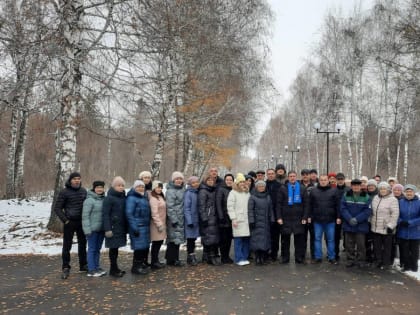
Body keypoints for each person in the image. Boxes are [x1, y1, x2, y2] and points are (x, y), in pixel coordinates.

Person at [54, 172, 88, 279]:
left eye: (78, 178)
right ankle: (65, 267)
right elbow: (57, 208)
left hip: (81, 222)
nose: (77, 180)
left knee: (82, 244)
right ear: (70, 180)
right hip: (69, 222)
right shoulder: (64, 192)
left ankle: (83, 265)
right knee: (67, 245)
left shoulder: (83, 191)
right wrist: (65, 220)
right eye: (74, 179)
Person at [276, 171, 309, 264]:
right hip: (286, 219)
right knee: (285, 240)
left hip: (299, 218)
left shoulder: (302, 188)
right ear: (288, 177)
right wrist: (279, 217)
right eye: (290, 176)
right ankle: (285, 258)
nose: (292, 178)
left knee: (299, 240)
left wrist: (305, 217)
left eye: (294, 176)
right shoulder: (283, 188)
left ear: (296, 177)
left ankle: (299, 258)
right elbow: (278, 204)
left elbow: (307, 205)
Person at [309, 175, 341, 264]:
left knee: (331, 240)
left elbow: (338, 206)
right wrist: (309, 216)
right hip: (317, 220)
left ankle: (332, 257)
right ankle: (318, 257)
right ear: (319, 181)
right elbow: (310, 205)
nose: (323, 181)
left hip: (330, 220)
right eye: (321, 180)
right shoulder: (313, 191)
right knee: (317, 239)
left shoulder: (334, 191)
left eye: (325, 180)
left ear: (328, 181)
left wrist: (338, 217)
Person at [340, 179, 372, 268]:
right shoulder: (346, 195)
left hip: (361, 225)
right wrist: (349, 218)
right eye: (354, 185)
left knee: (361, 245)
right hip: (348, 224)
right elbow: (343, 208)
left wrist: (357, 219)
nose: (356, 187)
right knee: (349, 244)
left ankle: (361, 260)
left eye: (358, 185)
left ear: (360, 186)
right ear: (351, 186)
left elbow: (368, 210)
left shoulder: (366, 196)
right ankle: (350, 260)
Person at [370, 182, 399, 270]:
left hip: (387, 228)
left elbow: (395, 214)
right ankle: (378, 261)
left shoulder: (393, 199)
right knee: (376, 246)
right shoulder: (375, 198)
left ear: (388, 190)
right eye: (381, 189)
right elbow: (372, 211)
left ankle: (386, 263)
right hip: (375, 227)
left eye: (384, 189)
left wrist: (391, 226)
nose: (382, 190)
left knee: (387, 247)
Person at [103, 176, 127, 277]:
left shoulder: (122, 197)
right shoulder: (109, 198)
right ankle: (113, 270)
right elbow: (105, 214)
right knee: (113, 249)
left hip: (120, 227)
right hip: (112, 228)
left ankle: (116, 268)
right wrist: (108, 229)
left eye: (122, 185)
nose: (121, 187)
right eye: (118, 185)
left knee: (116, 249)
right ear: (114, 186)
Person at [126, 180, 151, 275]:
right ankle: (135, 267)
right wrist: (134, 228)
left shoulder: (143, 198)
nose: (141, 188)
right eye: (139, 186)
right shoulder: (131, 198)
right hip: (137, 227)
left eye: (142, 187)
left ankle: (140, 264)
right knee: (138, 248)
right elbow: (129, 214)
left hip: (145, 226)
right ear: (134, 188)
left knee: (143, 248)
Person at [82, 180, 106, 277]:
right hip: (92, 230)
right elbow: (85, 216)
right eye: (97, 187)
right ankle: (91, 269)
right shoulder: (89, 200)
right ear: (94, 188)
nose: (99, 189)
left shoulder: (104, 199)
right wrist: (87, 230)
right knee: (92, 249)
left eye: (101, 187)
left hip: (101, 229)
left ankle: (97, 266)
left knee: (98, 249)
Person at [227, 173, 251, 266]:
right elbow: (230, 207)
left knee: (246, 240)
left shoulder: (247, 192)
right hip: (238, 220)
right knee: (238, 240)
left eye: (243, 181)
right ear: (237, 183)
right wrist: (233, 218)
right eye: (240, 182)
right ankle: (238, 258)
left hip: (247, 220)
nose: (242, 183)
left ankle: (244, 257)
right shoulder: (233, 193)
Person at [248, 180, 273, 265]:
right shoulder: (252, 197)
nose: (261, 188)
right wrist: (251, 221)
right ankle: (257, 258)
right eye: (259, 186)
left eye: (263, 186)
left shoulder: (268, 197)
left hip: (266, 222)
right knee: (256, 240)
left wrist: (272, 219)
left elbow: (271, 210)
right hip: (256, 222)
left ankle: (263, 257)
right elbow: (250, 210)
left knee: (264, 240)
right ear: (256, 187)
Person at [397, 184, 420, 272]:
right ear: (405, 192)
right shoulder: (400, 202)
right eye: (407, 191)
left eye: (411, 191)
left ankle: (414, 266)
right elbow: (396, 214)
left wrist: (411, 222)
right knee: (404, 250)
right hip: (402, 230)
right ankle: (406, 266)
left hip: (415, 231)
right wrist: (400, 221)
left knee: (414, 251)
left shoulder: (418, 202)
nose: (409, 193)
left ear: (414, 192)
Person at [198, 176, 220, 265]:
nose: (211, 181)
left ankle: (206, 256)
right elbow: (201, 206)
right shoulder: (203, 191)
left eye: (212, 180)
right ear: (205, 181)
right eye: (209, 180)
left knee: (211, 237)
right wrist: (204, 218)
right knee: (209, 238)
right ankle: (211, 257)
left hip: (214, 217)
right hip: (208, 217)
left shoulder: (212, 190)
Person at [165, 171, 186, 266]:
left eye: (180, 179)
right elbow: (170, 207)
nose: (179, 180)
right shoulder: (170, 191)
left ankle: (174, 258)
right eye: (177, 179)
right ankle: (172, 260)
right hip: (174, 219)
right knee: (173, 240)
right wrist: (173, 219)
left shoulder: (182, 190)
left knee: (177, 240)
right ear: (173, 180)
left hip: (181, 218)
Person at [216, 174, 235, 264]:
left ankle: (227, 256)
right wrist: (221, 217)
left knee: (229, 239)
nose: (229, 181)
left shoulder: (234, 190)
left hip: (231, 218)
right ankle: (223, 256)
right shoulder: (221, 189)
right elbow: (218, 204)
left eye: (230, 180)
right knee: (223, 239)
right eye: (227, 180)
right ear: (224, 180)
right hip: (223, 218)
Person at [149, 180, 166, 269]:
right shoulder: (153, 199)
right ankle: (154, 262)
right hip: (156, 225)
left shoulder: (160, 196)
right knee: (156, 243)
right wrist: (159, 224)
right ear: (153, 188)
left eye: (160, 187)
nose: (159, 189)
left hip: (162, 224)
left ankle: (156, 260)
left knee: (159, 243)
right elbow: (154, 213)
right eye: (157, 187)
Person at [265, 168, 281, 262]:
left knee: (275, 236)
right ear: (267, 175)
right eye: (269, 174)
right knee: (266, 236)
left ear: (275, 175)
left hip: (276, 214)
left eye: (272, 174)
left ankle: (274, 254)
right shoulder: (263, 185)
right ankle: (266, 253)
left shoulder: (279, 186)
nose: (271, 175)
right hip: (265, 214)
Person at [184, 176, 200, 266]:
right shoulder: (189, 193)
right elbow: (186, 208)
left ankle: (191, 255)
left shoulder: (197, 192)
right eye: (193, 183)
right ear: (190, 184)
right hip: (190, 220)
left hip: (196, 219)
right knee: (190, 239)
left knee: (193, 239)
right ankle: (190, 255)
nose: (196, 184)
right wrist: (189, 221)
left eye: (197, 182)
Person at [335, 172, 349, 260]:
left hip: (346, 215)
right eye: (338, 179)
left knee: (347, 236)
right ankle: (335, 254)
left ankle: (349, 254)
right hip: (336, 216)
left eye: (341, 179)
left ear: (344, 180)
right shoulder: (333, 190)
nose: (340, 181)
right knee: (336, 236)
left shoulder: (348, 190)